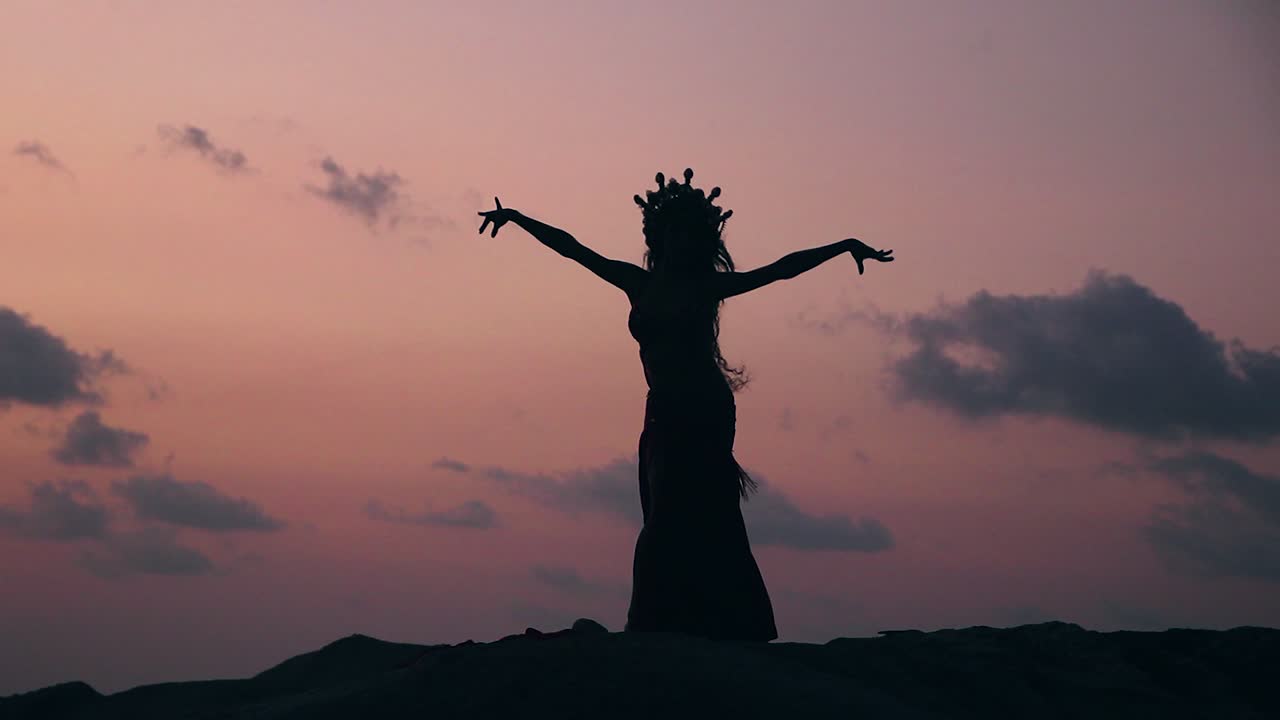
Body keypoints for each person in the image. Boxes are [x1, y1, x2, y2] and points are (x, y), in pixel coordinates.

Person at [477, 169, 893, 641]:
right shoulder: (637, 282)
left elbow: (782, 268)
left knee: (693, 511)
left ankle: (667, 625)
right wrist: (516, 217)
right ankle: (675, 622)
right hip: (661, 409)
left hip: (704, 409)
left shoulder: (707, 287)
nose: (677, 240)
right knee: (664, 511)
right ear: (658, 236)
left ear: (698, 240)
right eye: (670, 231)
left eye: (687, 233)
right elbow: (573, 249)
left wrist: (843, 246)